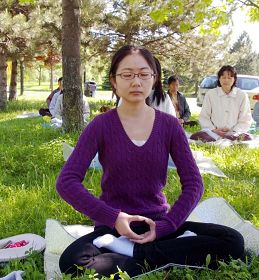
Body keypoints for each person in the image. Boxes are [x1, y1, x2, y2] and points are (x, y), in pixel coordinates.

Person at [56, 46, 244, 279]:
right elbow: (66, 182)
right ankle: (155, 257)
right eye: (127, 74)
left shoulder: (169, 125)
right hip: (113, 228)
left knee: (233, 241)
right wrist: (113, 217)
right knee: (73, 262)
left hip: (158, 225)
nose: (136, 81)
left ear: (154, 79)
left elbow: (194, 184)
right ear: (114, 80)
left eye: (144, 74)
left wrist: (166, 225)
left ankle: (137, 253)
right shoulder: (101, 125)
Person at [191, 65, 252, 142]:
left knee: (248, 138)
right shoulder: (211, 94)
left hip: (235, 133)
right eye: (223, 77)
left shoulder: (242, 95)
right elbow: (204, 116)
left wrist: (233, 131)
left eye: (229, 78)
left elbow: (245, 119)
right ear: (219, 79)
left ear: (234, 79)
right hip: (213, 132)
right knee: (196, 136)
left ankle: (229, 138)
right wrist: (214, 130)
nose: (226, 80)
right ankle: (217, 138)